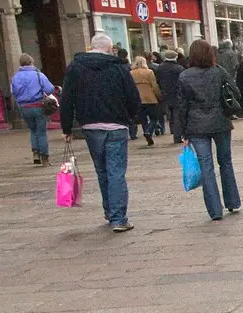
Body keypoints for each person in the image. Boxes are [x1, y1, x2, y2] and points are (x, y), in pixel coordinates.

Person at [59, 32, 141, 232]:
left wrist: (66, 127)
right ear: (109, 48)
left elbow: (67, 98)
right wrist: (133, 118)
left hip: (90, 125)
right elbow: (132, 96)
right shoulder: (119, 68)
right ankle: (118, 217)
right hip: (116, 125)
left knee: (102, 170)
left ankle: (110, 211)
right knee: (116, 172)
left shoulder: (75, 68)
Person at [175, 38, 243, 221]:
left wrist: (183, 132)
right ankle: (233, 201)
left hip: (196, 126)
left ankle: (215, 211)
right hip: (220, 122)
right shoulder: (218, 72)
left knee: (206, 166)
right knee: (226, 162)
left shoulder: (184, 76)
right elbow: (235, 92)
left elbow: (182, 106)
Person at [11, 54, 57, 163]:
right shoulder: (38, 75)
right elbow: (49, 89)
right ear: (31, 62)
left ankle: (36, 153)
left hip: (24, 107)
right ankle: (45, 157)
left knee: (33, 130)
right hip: (38, 105)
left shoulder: (15, 77)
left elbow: (14, 92)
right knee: (41, 132)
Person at [129, 56, 161, 147]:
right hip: (150, 98)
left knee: (143, 119)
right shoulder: (149, 72)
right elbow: (154, 86)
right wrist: (158, 95)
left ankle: (147, 134)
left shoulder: (131, 73)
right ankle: (148, 132)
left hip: (138, 99)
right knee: (154, 118)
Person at [155, 49, 185, 143]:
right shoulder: (179, 68)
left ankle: (172, 130)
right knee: (177, 116)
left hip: (165, 94)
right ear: (175, 57)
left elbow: (158, 81)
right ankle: (177, 136)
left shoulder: (160, 68)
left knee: (170, 114)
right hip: (177, 94)